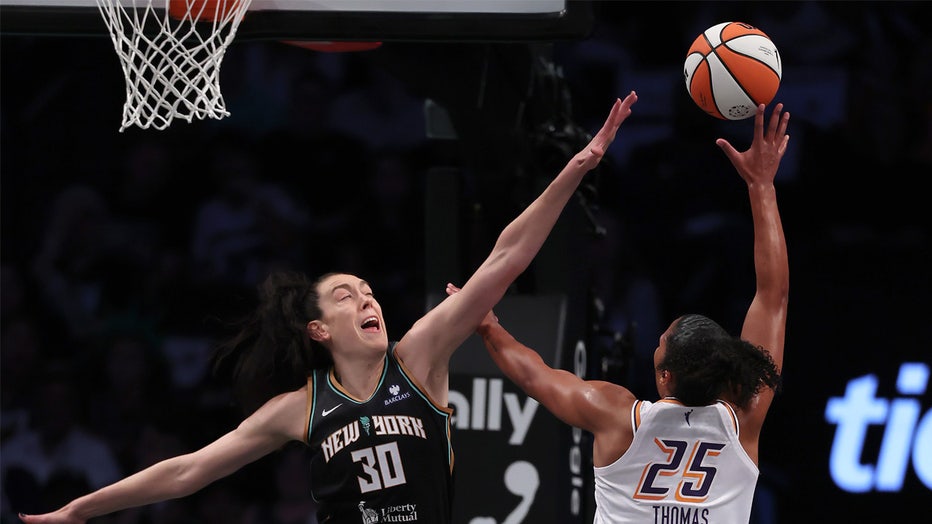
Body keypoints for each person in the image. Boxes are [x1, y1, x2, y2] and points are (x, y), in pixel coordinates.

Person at [16, 91, 639, 524]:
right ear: (318, 328)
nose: (368, 299)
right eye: (348, 295)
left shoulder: (418, 360)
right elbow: (187, 472)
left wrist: (577, 166)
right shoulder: (301, 408)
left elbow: (505, 258)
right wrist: (82, 508)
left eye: (369, 291)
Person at [449, 103, 790, 523]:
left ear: (665, 377)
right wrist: (762, 186)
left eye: (661, 341)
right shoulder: (744, 417)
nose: (657, 342)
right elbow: (773, 296)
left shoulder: (617, 416)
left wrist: (487, 327)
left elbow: (534, 375)